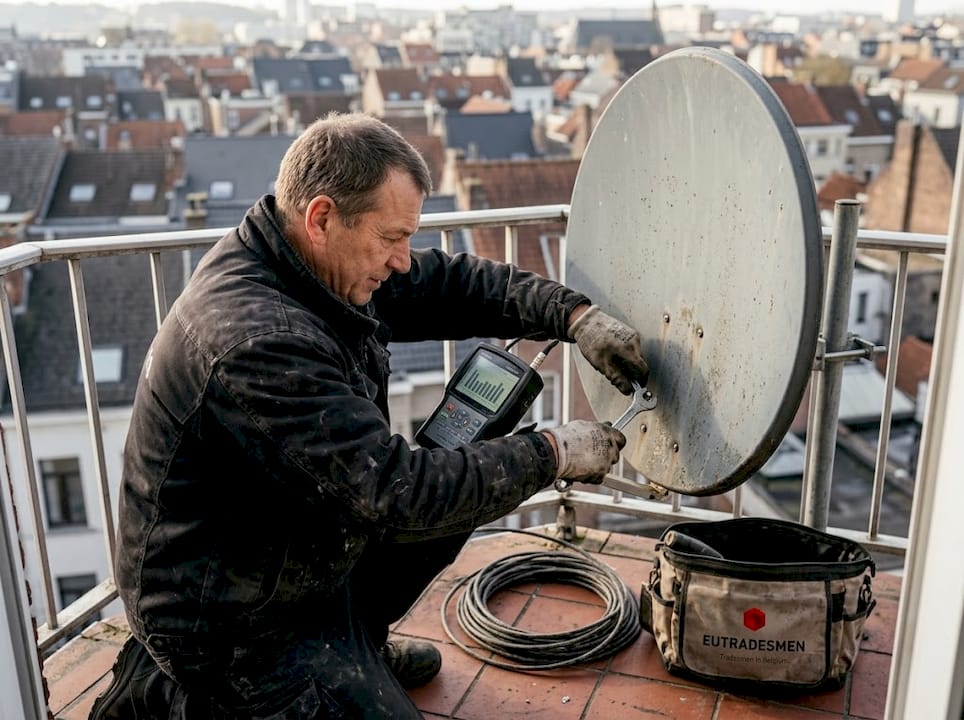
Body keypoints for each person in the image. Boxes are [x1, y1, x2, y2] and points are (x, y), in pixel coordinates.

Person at [91, 112, 649, 719]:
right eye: (391, 239)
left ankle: (356, 647)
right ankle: (241, 689)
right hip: (229, 625)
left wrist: (572, 317)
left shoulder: (310, 264)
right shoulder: (258, 341)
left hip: (285, 561)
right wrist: (553, 454)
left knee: (454, 494)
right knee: (430, 491)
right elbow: (394, 490)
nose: (403, 260)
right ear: (322, 217)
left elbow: (447, 284)